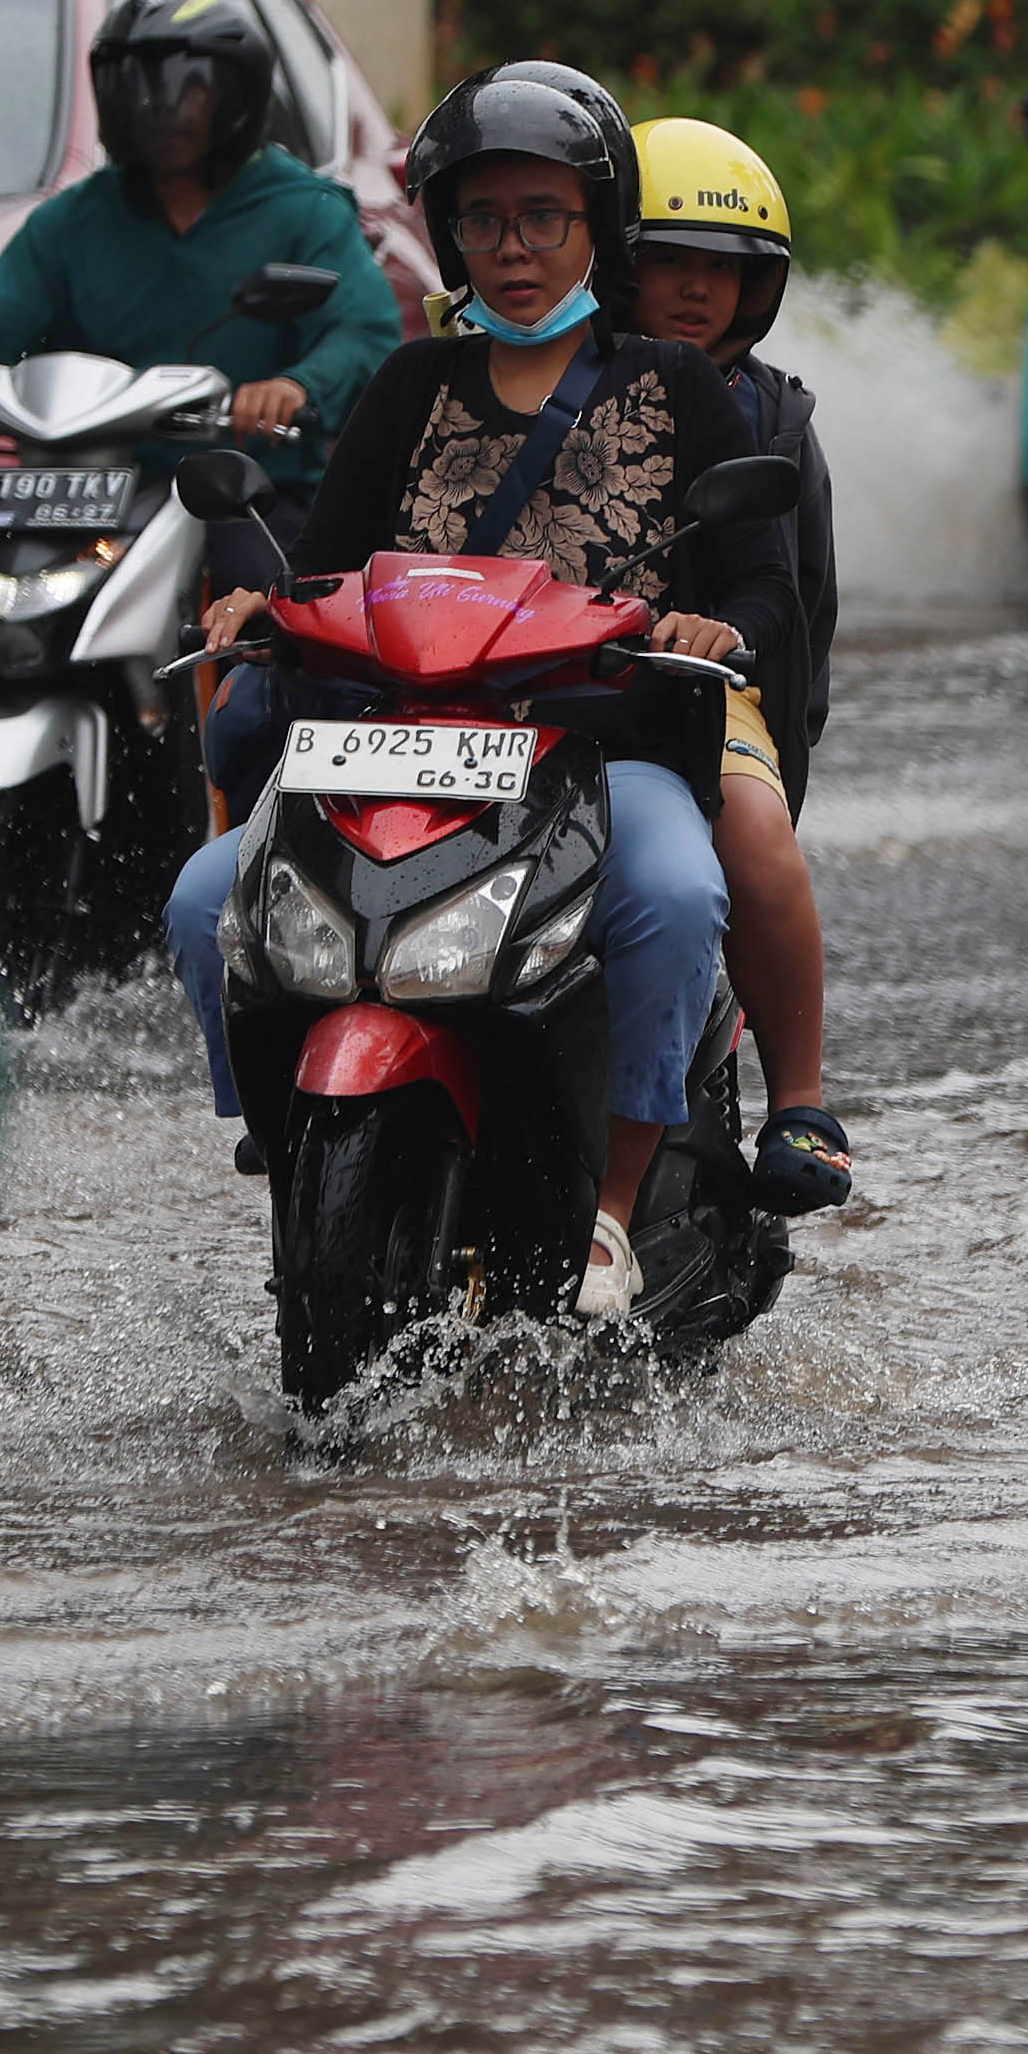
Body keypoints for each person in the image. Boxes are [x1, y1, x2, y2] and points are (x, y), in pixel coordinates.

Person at [160, 66, 799, 1327]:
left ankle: (613, 1214)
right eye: (486, 218)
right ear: (448, 231)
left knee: (674, 895)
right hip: (398, 748)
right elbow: (329, 562)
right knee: (200, 901)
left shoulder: (675, 385)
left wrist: (713, 622)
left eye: (544, 217)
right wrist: (267, 607)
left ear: (596, 228)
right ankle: (284, 1136)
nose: (513, 248)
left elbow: (764, 589)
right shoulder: (409, 388)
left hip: (600, 752)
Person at [622, 116, 852, 1216]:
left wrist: (737, 654)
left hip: (705, 694)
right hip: (519, 688)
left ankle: (797, 1098)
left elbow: (802, 599)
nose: (696, 289)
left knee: (752, 838)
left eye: (723, 270)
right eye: (668, 260)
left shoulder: (772, 420)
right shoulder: (524, 372)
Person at [0, 0, 403, 500]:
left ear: (238, 96)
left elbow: (364, 334)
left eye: (193, 88)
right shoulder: (73, 219)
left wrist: (295, 386)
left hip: (242, 493)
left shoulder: (307, 210)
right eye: (140, 87)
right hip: (83, 496)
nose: (162, 107)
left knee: (261, 576)